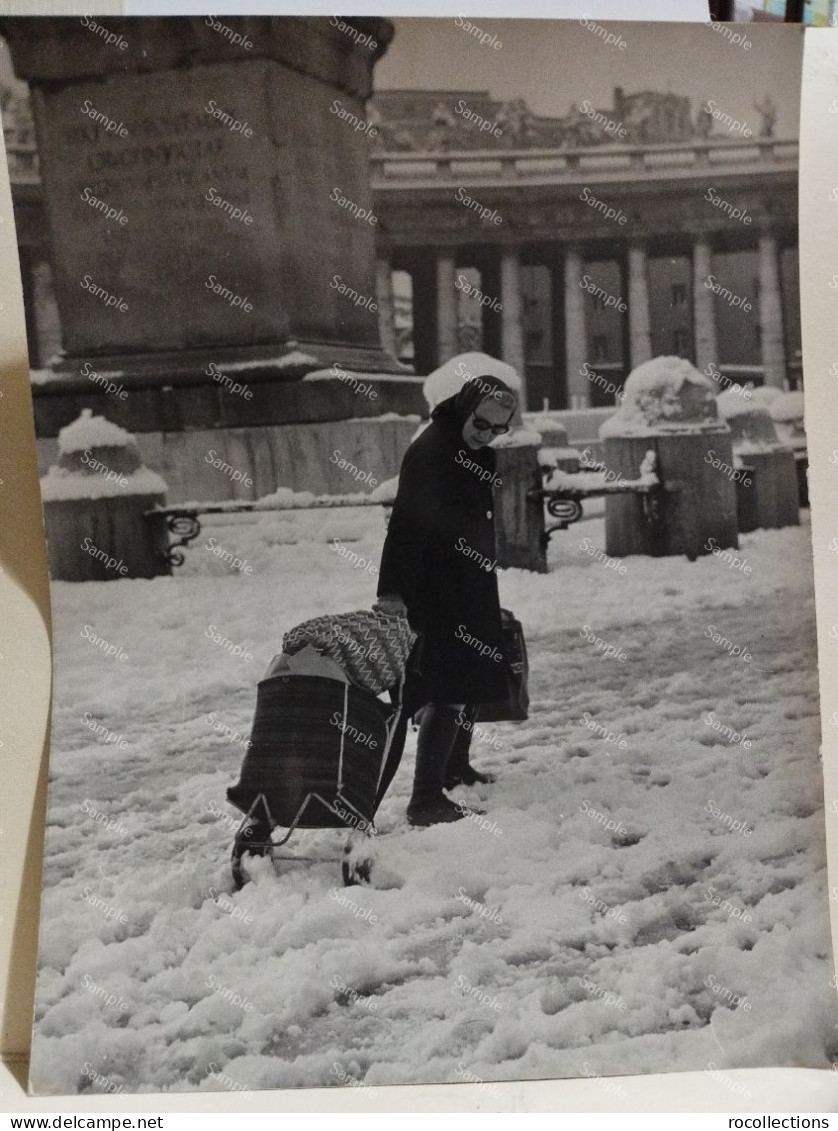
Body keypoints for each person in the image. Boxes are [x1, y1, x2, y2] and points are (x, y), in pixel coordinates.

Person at [376, 373, 518, 826]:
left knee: (471, 676)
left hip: (468, 583)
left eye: (499, 428)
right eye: (482, 423)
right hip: (435, 590)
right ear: (464, 406)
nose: (488, 434)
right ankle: (425, 799)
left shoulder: (472, 451)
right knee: (447, 689)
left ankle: (456, 767)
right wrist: (393, 593)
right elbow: (405, 527)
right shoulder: (432, 453)